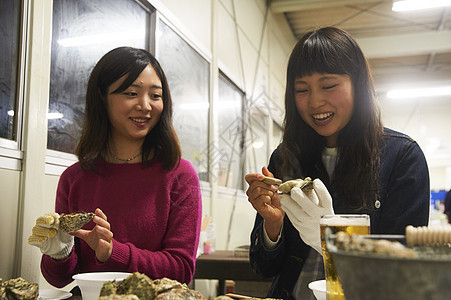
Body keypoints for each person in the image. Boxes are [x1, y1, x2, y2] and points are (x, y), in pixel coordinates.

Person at [245, 27, 430, 300]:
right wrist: (272, 227)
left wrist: (331, 238)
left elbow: (403, 274)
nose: (315, 101)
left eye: (329, 85)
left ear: (358, 84)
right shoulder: (284, 157)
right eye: (301, 89)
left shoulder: (402, 158)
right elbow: (263, 267)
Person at [28, 47, 202, 288]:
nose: (145, 106)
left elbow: (181, 269)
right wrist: (59, 252)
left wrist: (114, 253)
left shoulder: (180, 175)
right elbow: (60, 280)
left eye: (155, 95)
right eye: (131, 93)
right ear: (102, 96)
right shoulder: (74, 178)